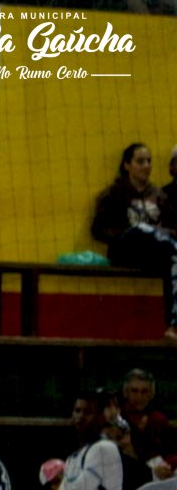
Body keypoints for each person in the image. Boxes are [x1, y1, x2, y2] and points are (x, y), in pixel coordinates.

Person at [90, 142, 177, 342]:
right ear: (127, 165)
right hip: (125, 251)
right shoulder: (113, 194)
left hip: (154, 253)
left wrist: (161, 231)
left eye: (149, 161)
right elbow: (98, 229)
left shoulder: (160, 197)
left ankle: (173, 326)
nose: (146, 166)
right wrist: (125, 233)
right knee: (141, 230)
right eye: (140, 161)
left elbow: (174, 228)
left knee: (174, 255)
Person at [118, 369, 176, 481]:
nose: (139, 397)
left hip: (159, 475)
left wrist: (167, 465)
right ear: (126, 393)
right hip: (127, 477)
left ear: (151, 395)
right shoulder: (118, 420)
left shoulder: (159, 420)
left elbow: (173, 451)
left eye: (144, 392)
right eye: (134, 391)